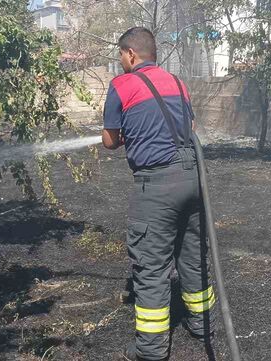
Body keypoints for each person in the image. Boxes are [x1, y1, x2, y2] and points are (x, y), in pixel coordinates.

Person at [102, 27, 215, 361]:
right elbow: (189, 129)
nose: (120, 61)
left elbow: (110, 140)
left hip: (157, 186)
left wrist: (128, 136)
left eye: (120, 55)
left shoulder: (121, 85)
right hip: (194, 179)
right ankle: (202, 326)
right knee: (194, 255)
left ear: (131, 54)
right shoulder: (177, 82)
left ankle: (151, 349)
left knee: (151, 266)